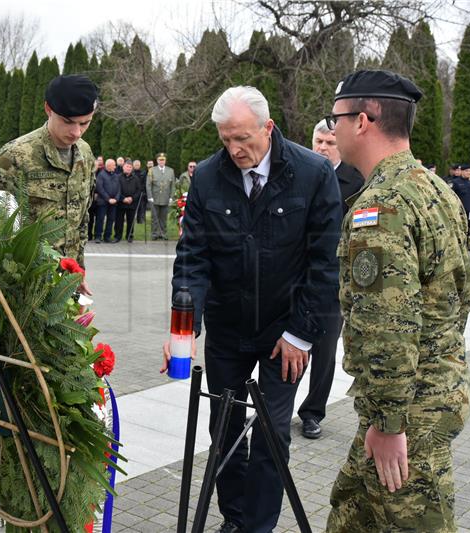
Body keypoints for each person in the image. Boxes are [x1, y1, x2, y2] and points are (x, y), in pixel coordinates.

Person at [163, 85, 341, 533]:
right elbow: (193, 258)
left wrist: (301, 333)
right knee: (223, 430)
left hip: (286, 332)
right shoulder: (207, 176)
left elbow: (325, 264)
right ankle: (234, 519)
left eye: (243, 138)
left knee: (271, 432)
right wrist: (182, 329)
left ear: (268, 127)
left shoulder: (313, 173)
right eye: (226, 139)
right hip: (228, 328)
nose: (235, 150)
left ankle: (258, 527)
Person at [323, 70, 470, 532]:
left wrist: (389, 424)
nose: (332, 129)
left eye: (336, 119)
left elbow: (388, 325)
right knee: (351, 514)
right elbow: (457, 298)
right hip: (435, 397)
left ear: (363, 121)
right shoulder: (437, 191)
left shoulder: (381, 207)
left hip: (407, 418)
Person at [0, 74, 98, 294]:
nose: (76, 132)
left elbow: (81, 219)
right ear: (48, 109)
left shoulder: (85, 154)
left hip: (65, 284)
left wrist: (78, 271)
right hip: (21, 288)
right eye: (68, 122)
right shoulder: (16, 155)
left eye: (85, 123)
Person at [296, 118, 365, 440]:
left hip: (332, 280)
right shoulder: (298, 171)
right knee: (289, 343)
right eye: (318, 141)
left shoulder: (357, 180)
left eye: (329, 143)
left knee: (323, 351)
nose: (322, 148)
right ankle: (278, 406)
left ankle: (312, 412)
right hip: (294, 275)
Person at [147, 152, 174, 240]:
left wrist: (171, 197)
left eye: (163, 160)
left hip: (165, 197)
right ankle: (154, 234)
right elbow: (148, 184)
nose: (161, 162)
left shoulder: (170, 170)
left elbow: (172, 185)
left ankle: (163, 233)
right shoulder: (152, 170)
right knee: (154, 217)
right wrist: (150, 196)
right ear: (157, 161)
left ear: (165, 161)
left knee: (163, 217)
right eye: (160, 160)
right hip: (155, 197)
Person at [451, 163, 470, 249]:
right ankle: (458, 244)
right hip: (459, 210)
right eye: (466, 171)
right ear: (461, 171)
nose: (468, 173)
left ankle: (466, 243)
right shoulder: (455, 182)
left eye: (469, 171)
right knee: (459, 227)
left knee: (468, 228)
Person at [94, 159, 120, 243]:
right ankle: (98, 236)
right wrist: (108, 199)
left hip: (113, 202)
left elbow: (119, 189)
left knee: (111, 219)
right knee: (100, 219)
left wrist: (116, 198)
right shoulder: (101, 175)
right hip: (103, 202)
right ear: (109, 165)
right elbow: (100, 188)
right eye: (114, 165)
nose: (115, 167)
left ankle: (107, 236)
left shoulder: (116, 176)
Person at [115, 159, 139, 242]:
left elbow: (138, 191)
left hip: (132, 203)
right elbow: (116, 189)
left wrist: (132, 198)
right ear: (123, 167)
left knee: (131, 221)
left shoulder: (136, 178)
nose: (128, 168)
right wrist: (123, 198)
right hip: (121, 203)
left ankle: (129, 236)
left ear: (132, 168)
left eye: (130, 167)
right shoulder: (118, 177)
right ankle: (118, 236)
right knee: (119, 221)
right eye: (127, 167)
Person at [133, 159, 148, 224]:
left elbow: (145, 183)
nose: (137, 166)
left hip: (141, 193)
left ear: (140, 165)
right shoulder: (131, 173)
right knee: (133, 207)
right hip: (133, 193)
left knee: (141, 208)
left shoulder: (143, 173)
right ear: (133, 165)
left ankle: (141, 219)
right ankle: (133, 219)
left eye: (138, 165)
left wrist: (144, 191)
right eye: (135, 165)